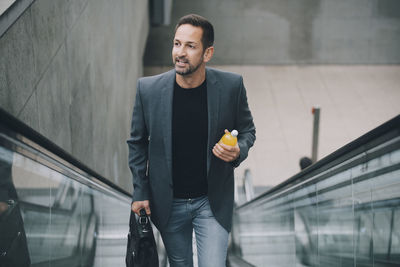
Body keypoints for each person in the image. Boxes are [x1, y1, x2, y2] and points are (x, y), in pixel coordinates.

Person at [127, 14, 256, 267]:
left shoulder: (232, 86)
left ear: (207, 53)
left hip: (211, 202)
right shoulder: (148, 90)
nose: (180, 53)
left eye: (190, 46)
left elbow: (248, 130)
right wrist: (140, 191)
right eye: (177, 44)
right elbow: (137, 142)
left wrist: (238, 151)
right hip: (168, 204)